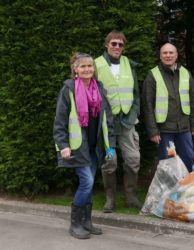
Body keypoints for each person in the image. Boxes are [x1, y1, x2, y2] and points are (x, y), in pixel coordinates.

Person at [53, 52, 116, 239]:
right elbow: (60, 121)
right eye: (83, 66)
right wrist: (63, 145)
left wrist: (110, 145)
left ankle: (87, 222)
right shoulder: (69, 89)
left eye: (90, 66)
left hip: (95, 147)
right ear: (76, 69)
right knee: (87, 182)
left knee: (88, 184)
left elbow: (108, 120)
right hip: (77, 147)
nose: (87, 69)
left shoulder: (100, 88)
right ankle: (75, 224)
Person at [95, 30, 142, 212]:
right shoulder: (96, 64)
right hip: (107, 122)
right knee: (110, 161)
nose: (117, 47)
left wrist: (134, 112)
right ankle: (110, 199)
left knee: (133, 159)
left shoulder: (128, 64)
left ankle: (131, 197)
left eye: (120, 44)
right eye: (113, 43)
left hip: (127, 121)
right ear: (107, 45)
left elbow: (135, 94)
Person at [142, 43, 194, 172]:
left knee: (188, 159)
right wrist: (153, 131)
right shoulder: (153, 75)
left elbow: (193, 101)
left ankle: (187, 190)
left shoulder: (186, 73)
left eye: (171, 52)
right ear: (160, 56)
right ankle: (168, 192)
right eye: (165, 53)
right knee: (166, 165)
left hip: (184, 128)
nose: (168, 55)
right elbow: (148, 105)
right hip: (164, 130)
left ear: (176, 55)